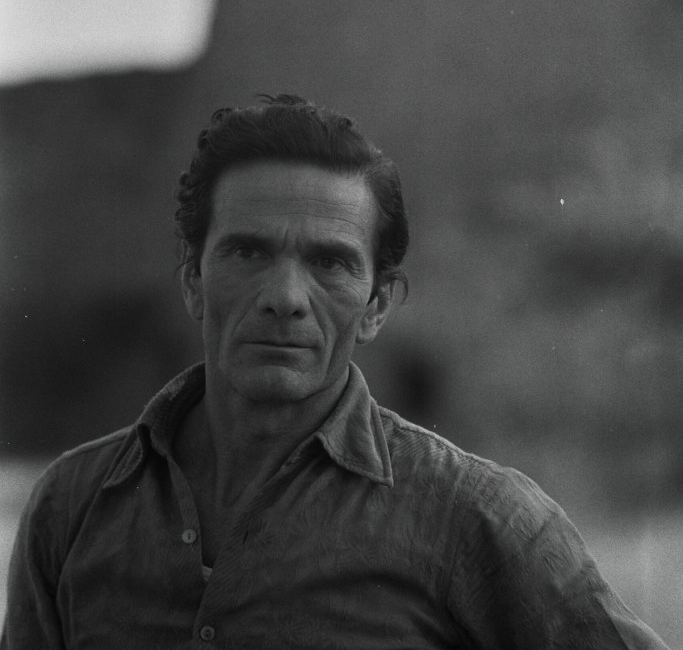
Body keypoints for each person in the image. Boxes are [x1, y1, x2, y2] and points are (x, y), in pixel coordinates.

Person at [1, 94, 672, 649]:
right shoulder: (73, 506)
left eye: (329, 262)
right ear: (193, 282)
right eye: (248, 252)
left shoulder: (475, 520)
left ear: (376, 306)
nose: (284, 297)